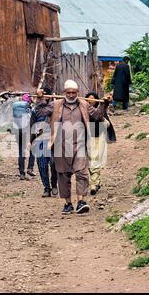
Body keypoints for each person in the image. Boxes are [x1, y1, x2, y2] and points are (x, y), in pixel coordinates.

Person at [49, 80, 105, 215]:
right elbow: (39, 111)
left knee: (82, 174)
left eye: (74, 93)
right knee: (63, 176)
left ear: (77, 93)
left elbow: (98, 116)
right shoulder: (55, 105)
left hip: (79, 145)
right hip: (60, 147)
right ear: (64, 93)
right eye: (68, 93)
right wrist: (39, 99)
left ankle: (81, 201)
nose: (71, 95)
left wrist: (105, 103)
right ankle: (67, 204)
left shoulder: (84, 105)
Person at [85, 92, 117, 196]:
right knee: (90, 160)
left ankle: (93, 184)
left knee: (95, 159)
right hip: (87, 136)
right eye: (88, 98)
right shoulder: (83, 109)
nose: (90, 100)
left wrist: (106, 100)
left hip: (98, 136)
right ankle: (96, 182)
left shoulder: (100, 108)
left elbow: (105, 103)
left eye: (92, 98)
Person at [30, 87, 58, 198]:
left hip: (53, 140)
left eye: (46, 94)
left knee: (54, 163)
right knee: (42, 165)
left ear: (49, 96)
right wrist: (30, 141)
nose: (43, 96)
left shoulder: (56, 108)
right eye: (42, 95)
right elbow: (32, 126)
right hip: (40, 140)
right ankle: (47, 188)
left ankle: (54, 184)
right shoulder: (36, 110)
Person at [12, 94, 36, 180]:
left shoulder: (15, 108)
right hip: (27, 131)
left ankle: (22, 173)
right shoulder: (30, 108)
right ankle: (30, 168)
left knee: (21, 152)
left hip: (17, 131)